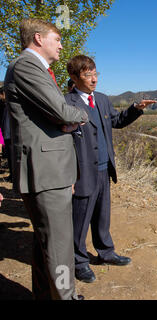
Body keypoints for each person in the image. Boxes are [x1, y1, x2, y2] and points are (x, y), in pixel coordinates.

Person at [3, 18, 88, 300]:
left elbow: (59, 113)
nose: (62, 45)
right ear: (39, 39)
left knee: (47, 244)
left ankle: (45, 294)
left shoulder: (38, 70)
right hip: (47, 170)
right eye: (57, 39)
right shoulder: (27, 66)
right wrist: (81, 116)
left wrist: (65, 118)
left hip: (53, 169)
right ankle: (65, 297)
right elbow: (63, 112)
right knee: (59, 247)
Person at [65, 55, 156, 283]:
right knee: (80, 220)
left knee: (102, 216)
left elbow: (117, 121)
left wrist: (135, 108)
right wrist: (68, 177)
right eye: (88, 75)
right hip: (81, 171)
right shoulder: (66, 103)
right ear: (74, 78)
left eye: (96, 73)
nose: (94, 79)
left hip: (105, 170)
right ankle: (79, 262)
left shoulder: (103, 100)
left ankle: (106, 253)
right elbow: (62, 143)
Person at [0, 86, 12, 181]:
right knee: (9, 157)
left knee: (12, 157)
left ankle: (14, 177)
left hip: (11, 135)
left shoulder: (11, 105)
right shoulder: (6, 105)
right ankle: (12, 176)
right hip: (7, 135)